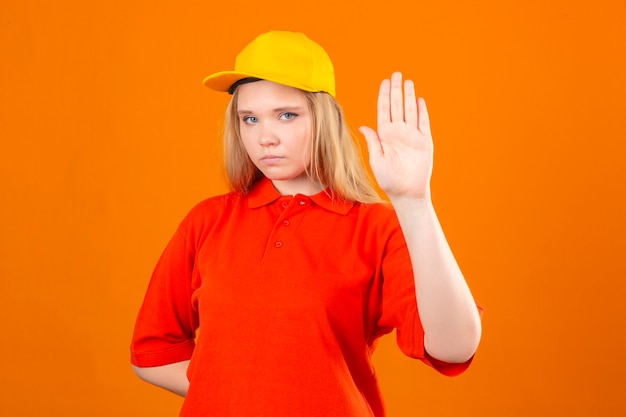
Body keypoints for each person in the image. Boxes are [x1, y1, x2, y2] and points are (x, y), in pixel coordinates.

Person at [130, 30, 483, 416]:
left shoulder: (375, 228)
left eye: (286, 115)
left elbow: (454, 347)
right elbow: (152, 352)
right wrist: (239, 392)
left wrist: (414, 202)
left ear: (324, 119)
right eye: (250, 119)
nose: (265, 137)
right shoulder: (208, 221)